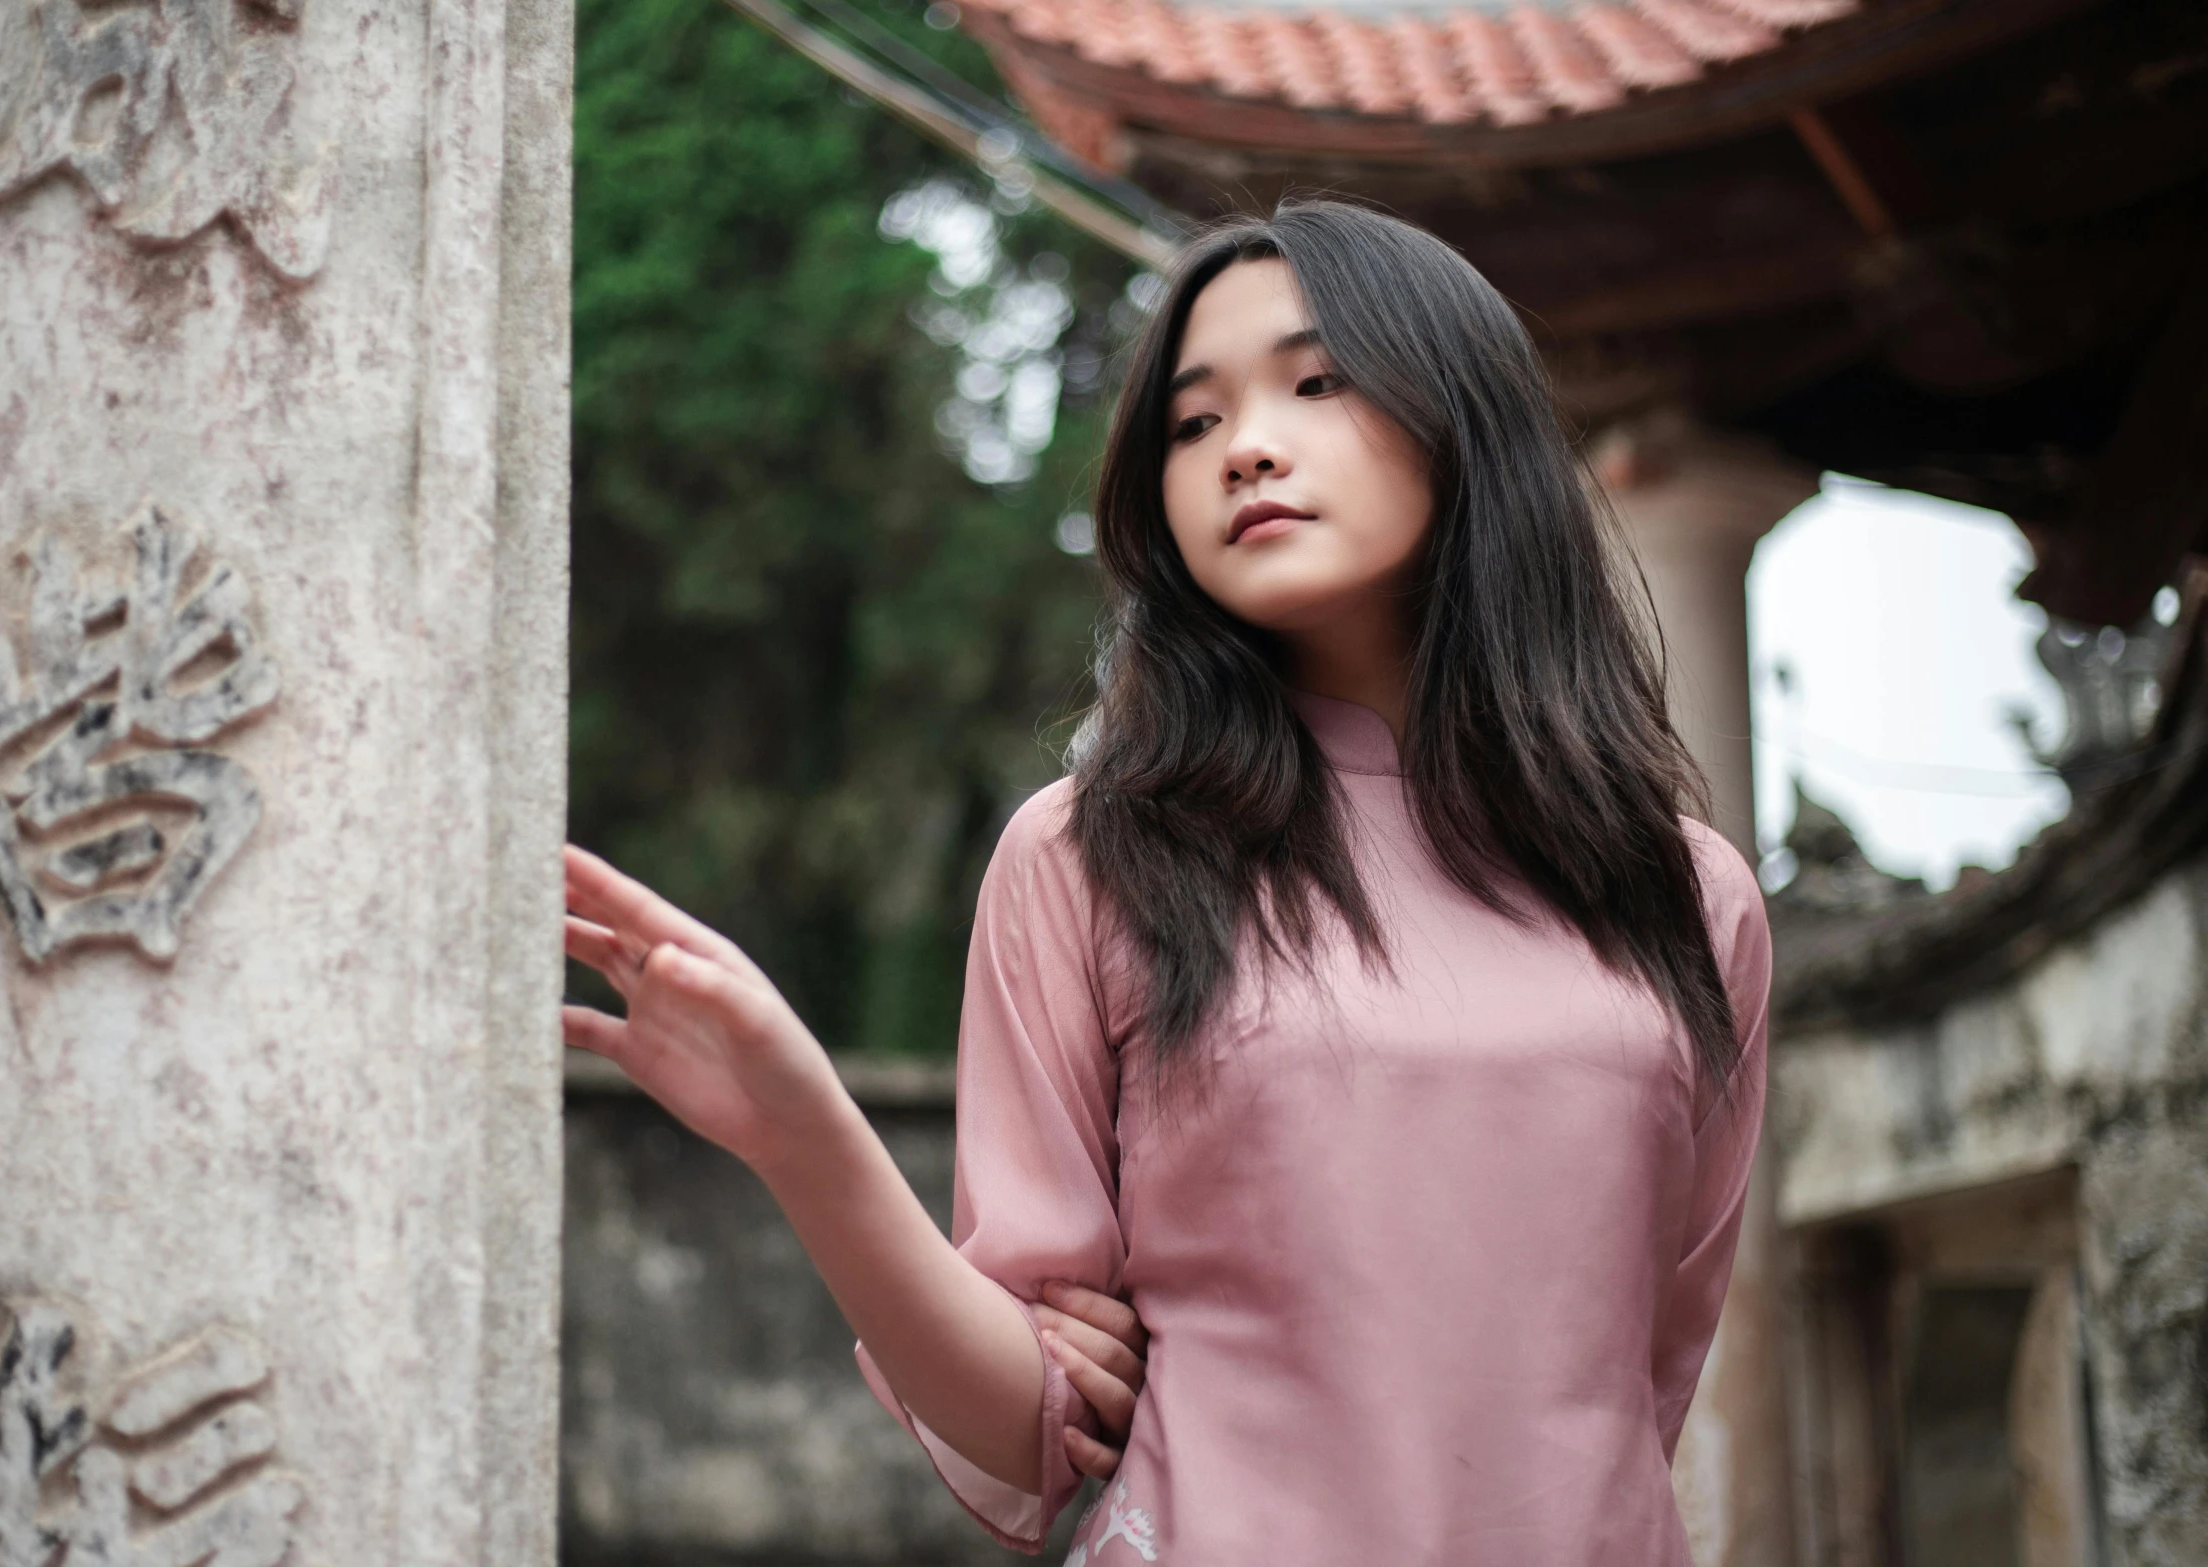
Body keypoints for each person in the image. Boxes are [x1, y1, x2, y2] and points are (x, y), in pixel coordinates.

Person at [563, 199, 1770, 1564]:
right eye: (1192, 424)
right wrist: (799, 1125)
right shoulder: (1093, 855)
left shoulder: (1685, 896)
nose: (1245, 445)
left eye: (1315, 383)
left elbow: (1642, 1376)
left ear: (1467, 424)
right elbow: (1035, 1420)